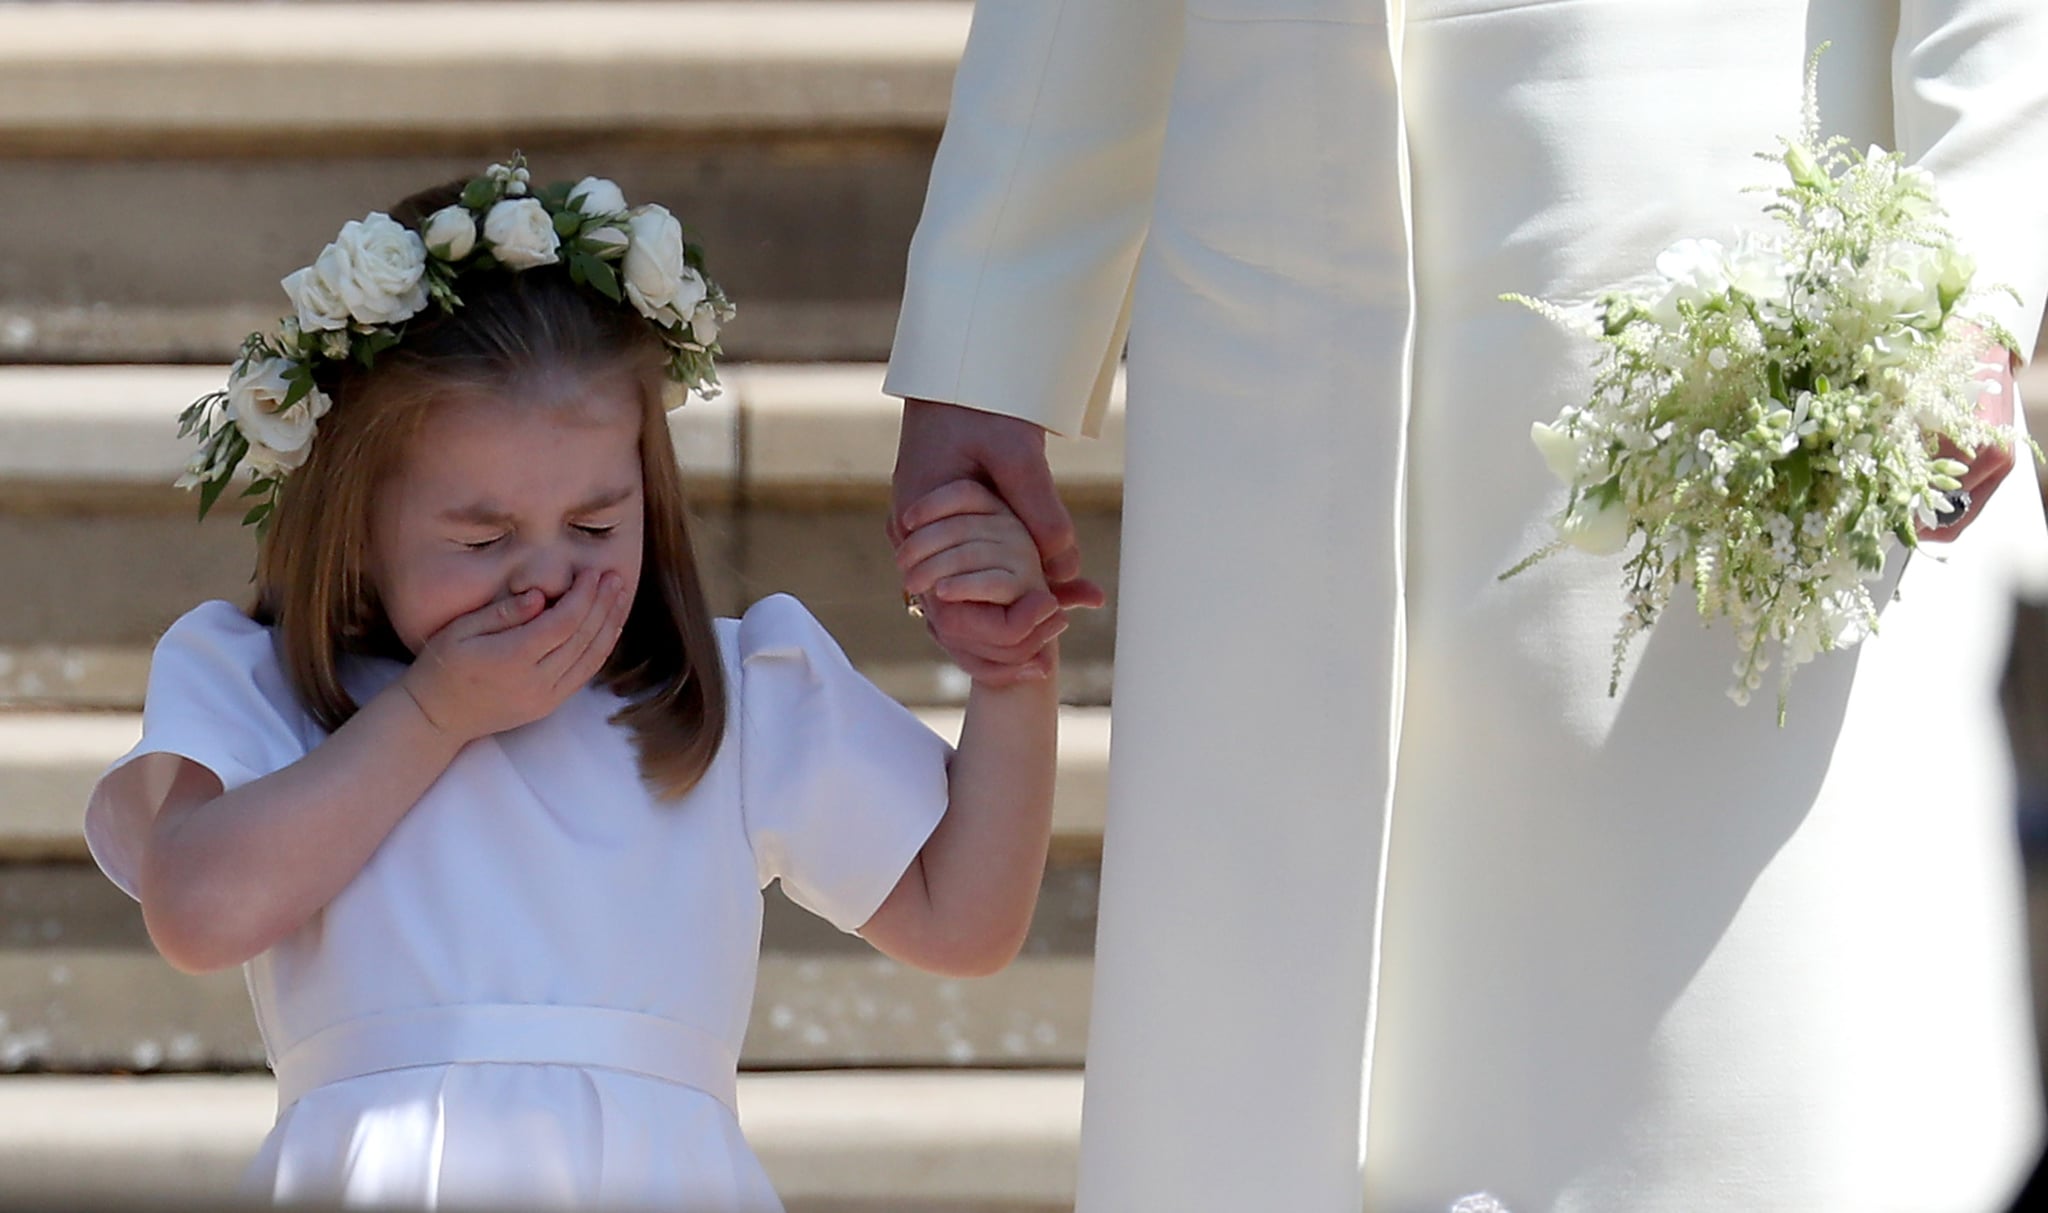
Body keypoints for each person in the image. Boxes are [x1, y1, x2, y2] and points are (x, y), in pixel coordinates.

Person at [885, 1, 2048, 1210]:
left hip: (1725, 233)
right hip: (1272, 257)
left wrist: (1964, 281)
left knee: (1727, 1069)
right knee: (1272, 1069)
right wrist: (989, 334)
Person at [82, 161, 1061, 1212]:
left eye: (595, 525)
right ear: (356, 524)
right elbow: (199, 910)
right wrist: (431, 714)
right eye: (483, 535)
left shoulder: (734, 692)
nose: (546, 574)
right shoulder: (262, 682)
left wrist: (1012, 672)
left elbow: (962, 920)